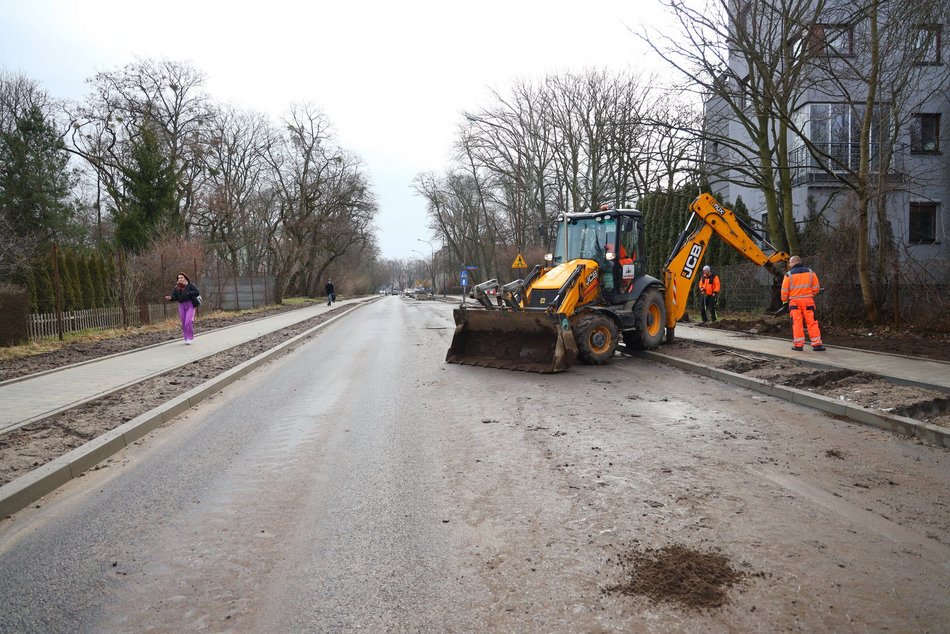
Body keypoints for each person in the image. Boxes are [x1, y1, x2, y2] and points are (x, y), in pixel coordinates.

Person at [781, 255, 826, 351]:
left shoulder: (788, 275)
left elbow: (784, 291)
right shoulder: (811, 272)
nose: (789, 264)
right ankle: (817, 344)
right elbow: (816, 288)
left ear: (794, 262)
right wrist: (810, 294)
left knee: (797, 324)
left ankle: (798, 345)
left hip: (794, 303)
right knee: (812, 323)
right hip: (808, 301)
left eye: (790, 262)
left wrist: (785, 300)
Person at [164, 272, 200, 345]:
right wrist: (170, 298)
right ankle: (186, 338)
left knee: (188, 321)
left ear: (185, 278)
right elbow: (174, 297)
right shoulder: (176, 288)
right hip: (181, 306)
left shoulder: (190, 285)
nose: (180, 279)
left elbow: (197, 293)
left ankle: (190, 337)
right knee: (184, 322)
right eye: (179, 278)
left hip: (190, 305)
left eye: (181, 277)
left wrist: (189, 293)